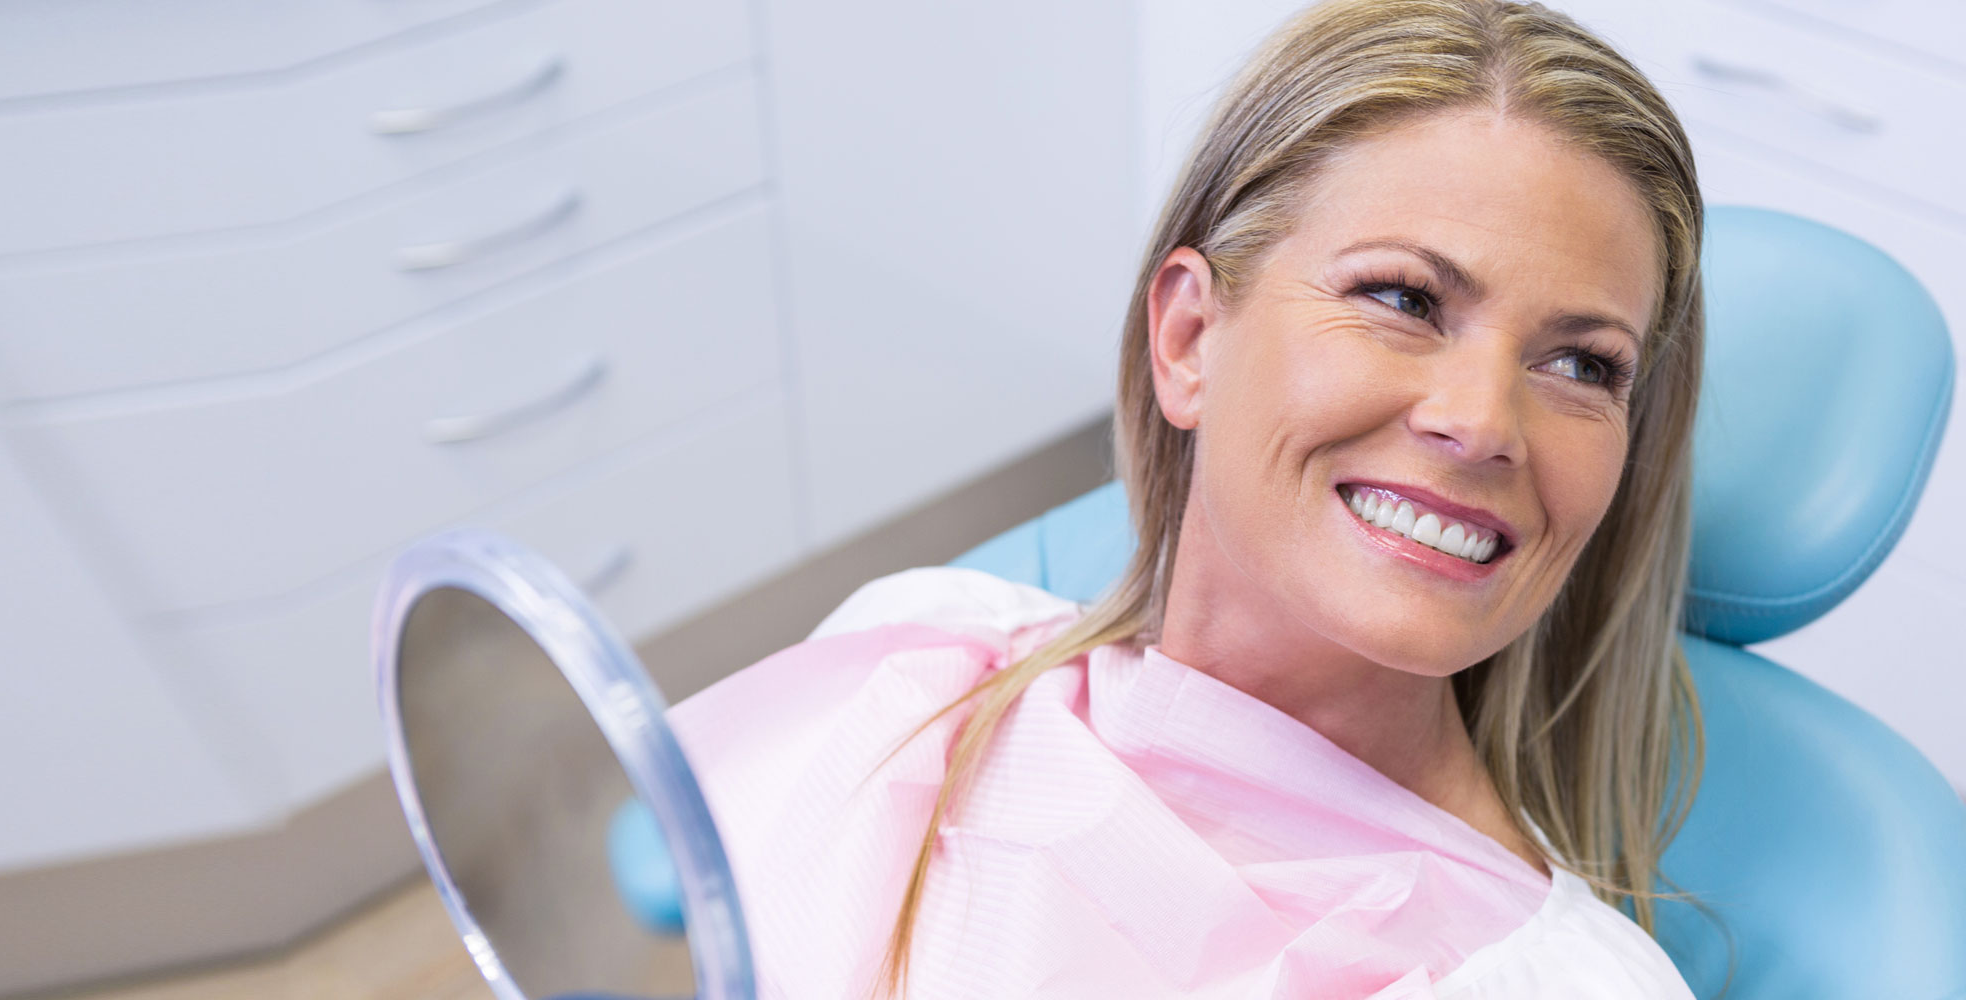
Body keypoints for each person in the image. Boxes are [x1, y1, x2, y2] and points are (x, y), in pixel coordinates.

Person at [668, 0, 1707, 995]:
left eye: (1579, 366)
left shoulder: (1544, 981)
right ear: (1186, 339)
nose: (1481, 422)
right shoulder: (915, 673)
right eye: (1402, 299)